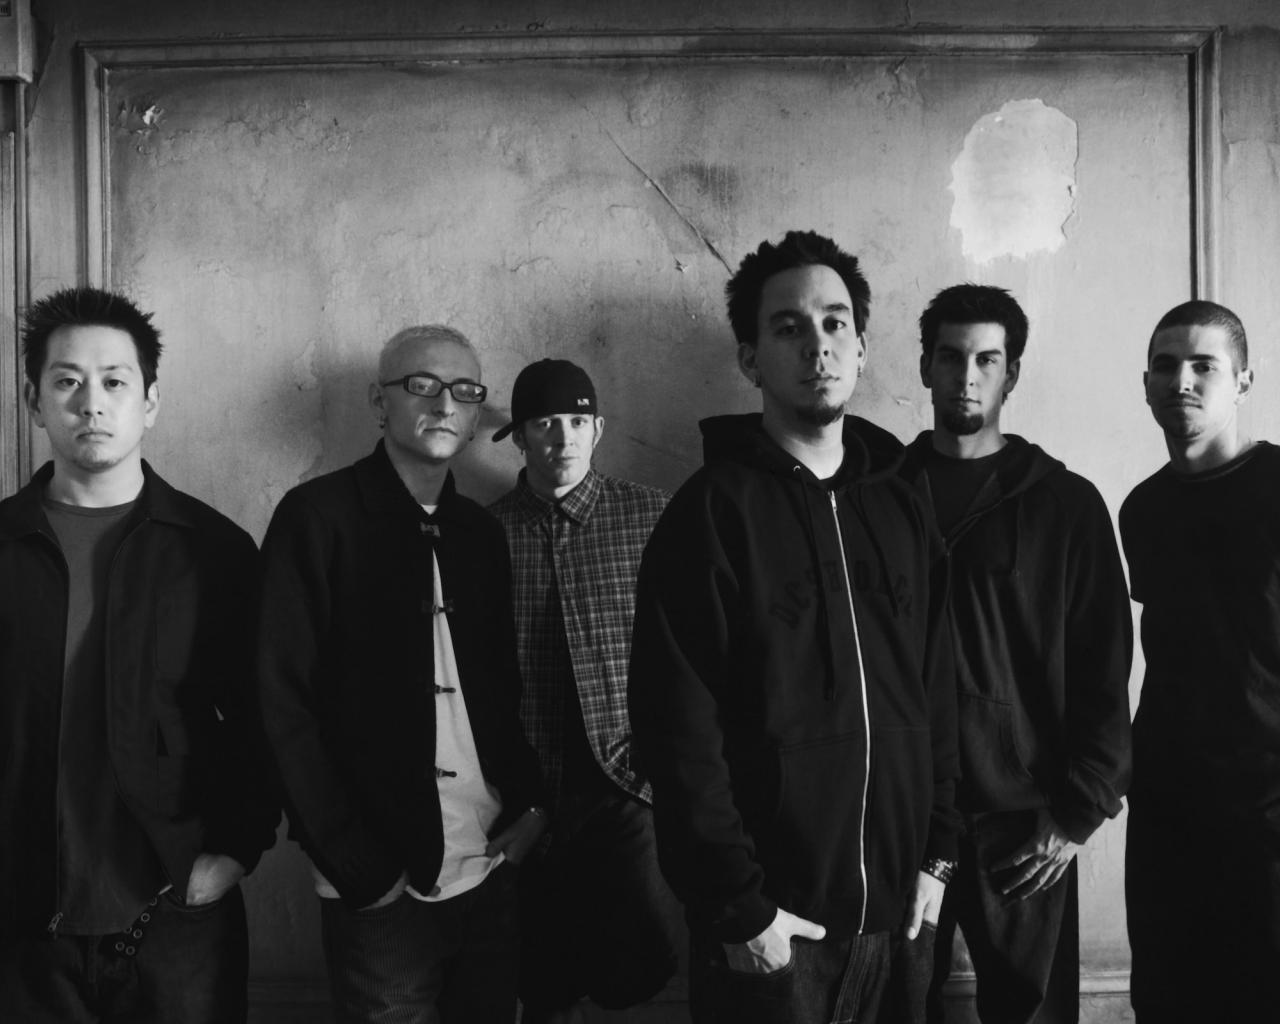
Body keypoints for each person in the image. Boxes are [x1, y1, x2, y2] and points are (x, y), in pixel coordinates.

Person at [628, 230, 960, 1024]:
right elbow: (677, 731)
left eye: (836, 322)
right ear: (750, 360)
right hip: (776, 928)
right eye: (789, 327)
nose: (819, 345)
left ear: (862, 347)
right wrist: (738, 909)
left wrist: (940, 855)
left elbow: (939, 686)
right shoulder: (710, 513)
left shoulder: (903, 503)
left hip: (902, 919)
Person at [0, 286, 278, 1023]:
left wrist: (235, 852)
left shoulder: (213, 551)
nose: (91, 403)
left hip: (176, 915)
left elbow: (265, 716)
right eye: (67, 381)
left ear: (149, 402)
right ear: (34, 402)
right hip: (20, 924)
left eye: (115, 382)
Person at [257, 324, 546, 1023]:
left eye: (464, 391)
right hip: (378, 886)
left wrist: (531, 808)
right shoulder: (316, 517)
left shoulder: (481, 533)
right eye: (422, 385)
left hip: (488, 865)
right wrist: (353, 862)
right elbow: (279, 701)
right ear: (378, 401)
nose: (444, 404)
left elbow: (503, 691)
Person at [898, 284, 1132, 1024]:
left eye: (986, 360)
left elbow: (1104, 666)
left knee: (1030, 1015)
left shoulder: (1066, 504)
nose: (967, 376)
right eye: (951, 357)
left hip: (1027, 820)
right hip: (902, 814)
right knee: (894, 1005)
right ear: (926, 367)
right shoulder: (881, 495)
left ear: (1012, 374)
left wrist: (1078, 810)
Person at [488, 358, 680, 1023]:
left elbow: (690, 653)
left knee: (642, 965)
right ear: (519, 436)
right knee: (542, 976)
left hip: (628, 782)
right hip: (525, 793)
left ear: (597, 429)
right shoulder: (486, 533)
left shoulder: (650, 516)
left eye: (576, 422)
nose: (562, 439)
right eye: (544, 424)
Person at [1119, 300, 1280, 1023]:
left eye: (1203, 365)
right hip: (1169, 810)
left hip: (1268, 812)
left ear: (1242, 381)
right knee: (1167, 999)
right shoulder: (1142, 509)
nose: (1181, 381)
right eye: (1165, 365)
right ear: (1146, 384)